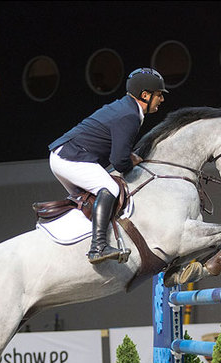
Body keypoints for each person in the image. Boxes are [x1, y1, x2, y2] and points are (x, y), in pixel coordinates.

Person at [48, 68, 168, 264]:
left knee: (90, 201)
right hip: (72, 157)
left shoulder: (125, 108)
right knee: (110, 188)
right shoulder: (130, 115)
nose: (161, 99)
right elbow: (119, 161)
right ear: (145, 95)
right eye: (159, 95)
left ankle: (83, 245)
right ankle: (98, 247)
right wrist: (132, 161)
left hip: (63, 156)